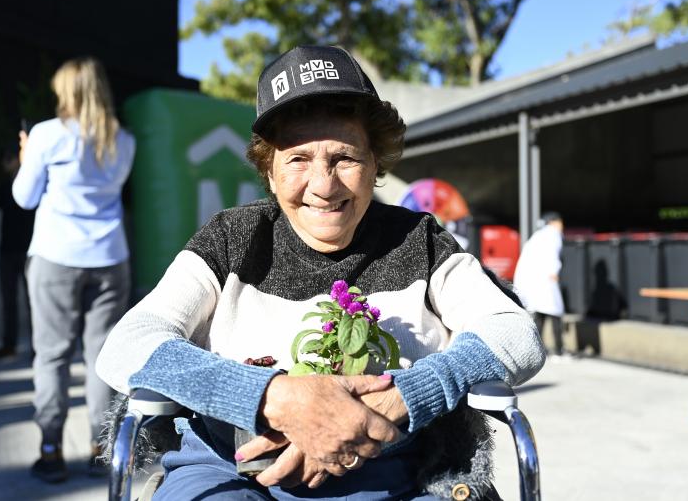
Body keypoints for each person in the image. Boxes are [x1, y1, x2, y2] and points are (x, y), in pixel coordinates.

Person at [96, 45, 544, 500]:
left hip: (393, 473)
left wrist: (401, 398)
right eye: (298, 159)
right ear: (269, 172)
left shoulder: (420, 240)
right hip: (229, 469)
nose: (324, 186)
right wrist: (277, 399)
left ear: (374, 166)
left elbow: (514, 332)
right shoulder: (232, 238)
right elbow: (128, 344)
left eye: (345, 158)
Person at [13, 57, 135, 483]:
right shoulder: (124, 140)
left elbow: (24, 198)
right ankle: (100, 449)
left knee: (52, 356)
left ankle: (51, 452)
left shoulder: (47, 135)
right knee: (101, 356)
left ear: (67, 92)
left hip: (56, 257)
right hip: (110, 258)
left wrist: (27, 155)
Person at [0, 146, 35, 360]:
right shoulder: (5, 186)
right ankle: (9, 344)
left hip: (28, 251)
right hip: (7, 250)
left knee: (34, 302)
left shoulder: (33, 184)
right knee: (9, 301)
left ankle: (37, 347)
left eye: (10, 158)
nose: (6, 163)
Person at [513, 212, 567, 361]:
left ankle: (537, 350)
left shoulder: (537, 236)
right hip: (546, 280)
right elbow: (553, 255)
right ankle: (558, 350)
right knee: (555, 313)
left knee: (540, 315)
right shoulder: (553, 234)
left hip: (533, 281)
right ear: (556, 222)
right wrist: (554, 271)